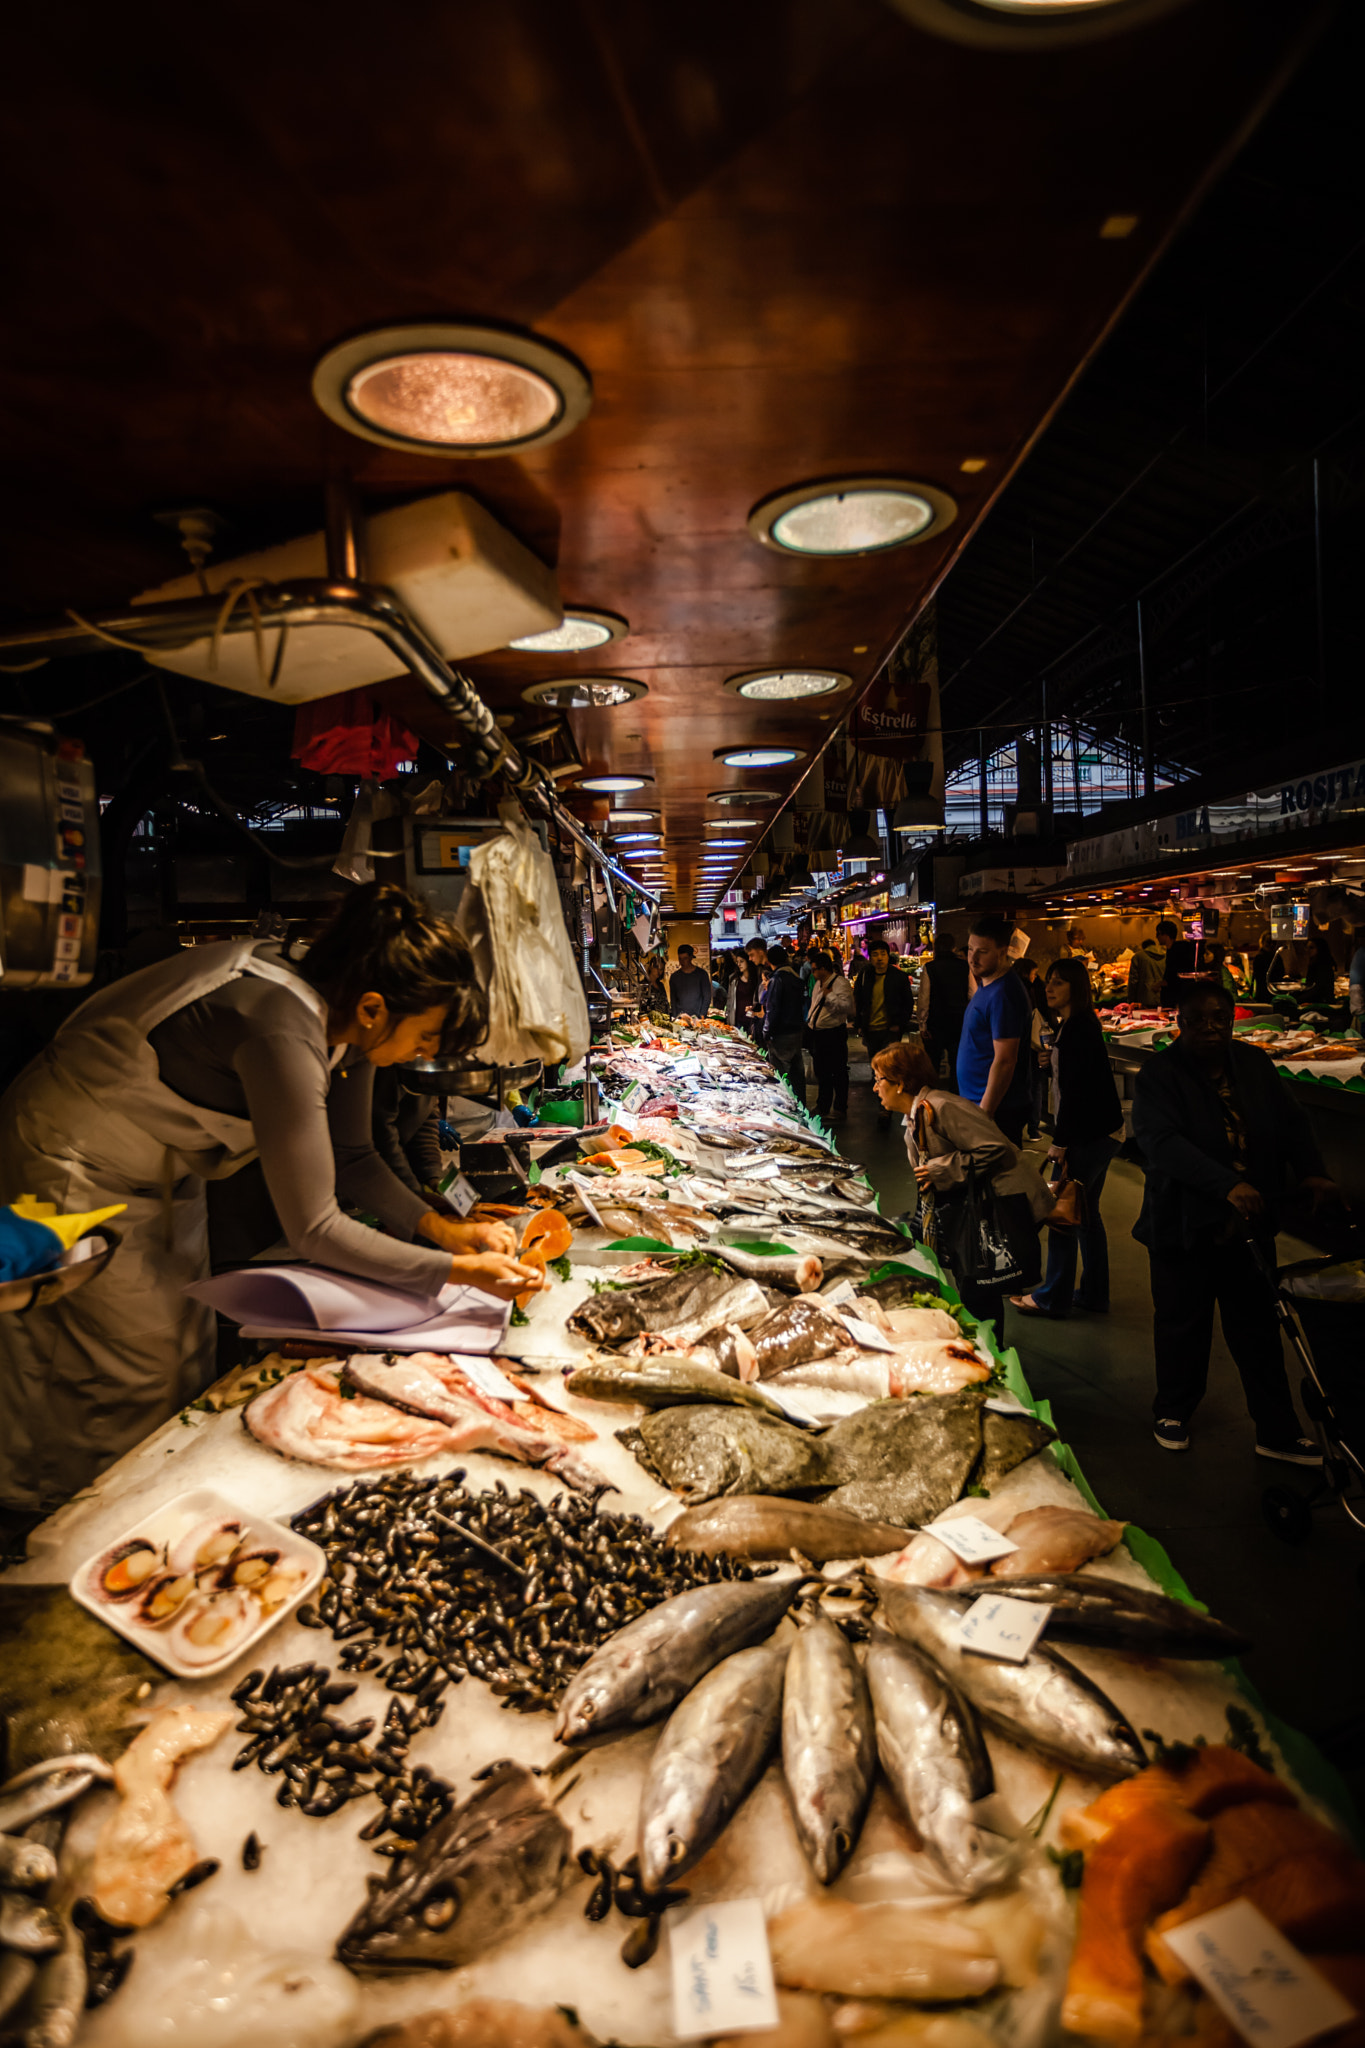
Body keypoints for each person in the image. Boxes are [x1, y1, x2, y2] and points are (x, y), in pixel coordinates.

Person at [0, 883, 544, 1517]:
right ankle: (54, 1532)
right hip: (74, 1162)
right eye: (425, 1039)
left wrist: (441, 1230)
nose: (424, 1056)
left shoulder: (349, 1020)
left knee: (183, 1354)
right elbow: (314, 1226)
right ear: (375, 1007)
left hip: (164, 1170)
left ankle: (143, 1508)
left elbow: (353, 1159)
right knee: (123, 1373)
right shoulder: (281, 1026)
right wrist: (454, 1270)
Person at [1131, 981, 1338, 1463]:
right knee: (1184, 1322)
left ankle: (1277, 1430)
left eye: (1220, 1018)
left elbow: (1292, 1122)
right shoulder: (1160, 1074)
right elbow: (1161, 1142)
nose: (1210, 1027)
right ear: (1180, 1023)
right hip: (1183, 1222)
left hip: (1249, 1222)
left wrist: (1313, 1171)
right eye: (1199, 1019)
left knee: (1258, 1329)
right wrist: (1224, 1183)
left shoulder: (1254, 1065)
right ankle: (1174, 1410)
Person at [872, 1040, 1051, 1330]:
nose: (875, 1087)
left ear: (901, 1083)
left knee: (980, 1282)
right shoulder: (915, 1116)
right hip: (968, 1207)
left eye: (879, 1079)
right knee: (976, 1281)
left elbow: (995, 1148)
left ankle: (990, 1351)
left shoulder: (942, 1107)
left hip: (998, 1204)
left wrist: (938, 1169)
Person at [1009, 958, 1123, 1320]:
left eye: (1059, 983)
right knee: (1087, 1216)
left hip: (1086, 1136)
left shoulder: (1076, 1029)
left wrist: (1061, 1141)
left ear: (1076, 987)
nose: (1050, 988)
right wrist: (1050, 1060)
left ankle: (1052, 1298)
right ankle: (1093, 1294)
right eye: (1049, 982)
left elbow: (1075, 1094)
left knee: (1062, 1213)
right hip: (1105, 1131)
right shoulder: (1075, 1025)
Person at [957, 914, 1034, 1145]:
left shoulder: (1004, 994)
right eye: (970, 949)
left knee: (999, 1178)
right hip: (978, 1102)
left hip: (998, 1109)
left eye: (983, 951)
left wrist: (985, 1113)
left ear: (1003, 951)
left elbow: (1005, 1059)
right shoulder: (987, 984)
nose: (973, 958)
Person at [854, 938, 913, 1127]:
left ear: (888, 956)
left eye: (883, 954)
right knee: (876, 1069)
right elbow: (858, 1000)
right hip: (871, 1029)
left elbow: (908, 1003)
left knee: (887, 1068)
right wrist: (860, 1024)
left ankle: (885, 1109)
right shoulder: (865, 976)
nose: (879, 958)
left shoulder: (899, 977)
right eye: (875, 955)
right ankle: (884, 1101)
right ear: (870, 958)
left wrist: (899, 1024)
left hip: (890, 1029)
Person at [916, 930, 970, 1092]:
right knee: (957, 1064)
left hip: (936, 1024)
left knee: (933, 1064)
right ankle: (956, 1096)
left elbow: (924, 998)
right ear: (953, 947)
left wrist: (922, 1024)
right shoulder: (965, 966)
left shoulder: (930, 967)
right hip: (959, 1022)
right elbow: (972, 994)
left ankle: (932, 1096)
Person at [806, 949, 856, 1122]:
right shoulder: (818, 984)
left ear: (823, 968)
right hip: (818, 1034)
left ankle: (840, 1108)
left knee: (838, 1071)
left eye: (814, 969)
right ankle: (823, 1105)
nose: (812, 973)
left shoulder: (839, 983)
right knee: (822, 1072)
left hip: (833, 1033)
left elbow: (847, 1007)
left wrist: (830, 996)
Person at [1013, 956, 1050, 1140]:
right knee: (1035, 1085)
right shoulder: (1036, 989)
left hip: (1016, 1045)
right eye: (1034, 973)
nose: (1036, 977)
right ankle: (1034, 1129)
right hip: (1035, 1044)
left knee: (1019, 1085)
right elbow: (1047, 1012)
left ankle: (1016, 1129)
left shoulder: (1009, 988)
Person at [763, 944, 806, 1090]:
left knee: (780, 1074)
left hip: (781, 1033)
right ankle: (801, 1104)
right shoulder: (795, 977)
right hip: (796, 1031)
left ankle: (788, 1108)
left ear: (770, 961)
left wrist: (767, 1032)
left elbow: (772, 1008)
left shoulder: (777, 979)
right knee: (796, 1073)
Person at [1127, 920, 1179, 1007]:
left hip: (1144, 1001)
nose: (1156, 936)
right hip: (1167, 1001)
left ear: (1165, 934)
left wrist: (1131, 1001)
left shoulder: (1138, 957)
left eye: (1158, 933)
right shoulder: (1168, 954)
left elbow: (1133, 982)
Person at [669, 944, 712, 1019]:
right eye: (680, 958)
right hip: (680, 1018)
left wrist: (702, 1015)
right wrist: (675, 1017)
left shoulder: (702, 974)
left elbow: (707, 997)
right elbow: (673, 1000)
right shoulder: (674, 977)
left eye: (685, 958)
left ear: (691, 957)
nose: (682, 961)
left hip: (698, 1018)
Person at [1302, 929, 1338, 1009]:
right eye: (1307, 947)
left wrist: (1299, 999)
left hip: (1323, 1005)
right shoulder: (1313, 964)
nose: (1308, 950)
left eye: (1311, 948)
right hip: (1316, 1002)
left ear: (1320, 949)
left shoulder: (1323, 965)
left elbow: (1318, 988)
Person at [1249, 930, 1281, 1005]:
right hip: (1267, 993)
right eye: (1268, 942)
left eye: (1273, 942)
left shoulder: (1276, 957)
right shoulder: (1261, 957)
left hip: (1266, 994)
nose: (1271, 945)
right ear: (1262, 943)